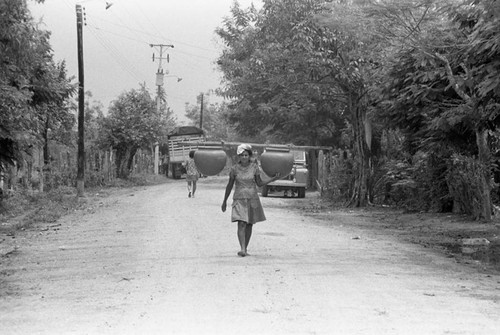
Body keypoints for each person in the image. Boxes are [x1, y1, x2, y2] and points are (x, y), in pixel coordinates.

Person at [221, 144, 281, 257]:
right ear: (238, 156)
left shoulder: (254, 168)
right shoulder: (234, 169)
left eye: (246, 155)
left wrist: (273, 179)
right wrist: (224, 201)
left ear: (249, 156)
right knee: (241, 223)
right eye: (242, 155)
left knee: (249, 224)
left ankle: (245, 248)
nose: (244, 157)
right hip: (239, 198)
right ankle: (242, 249)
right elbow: (229, 185)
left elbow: (259, 183)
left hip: (252, 198)